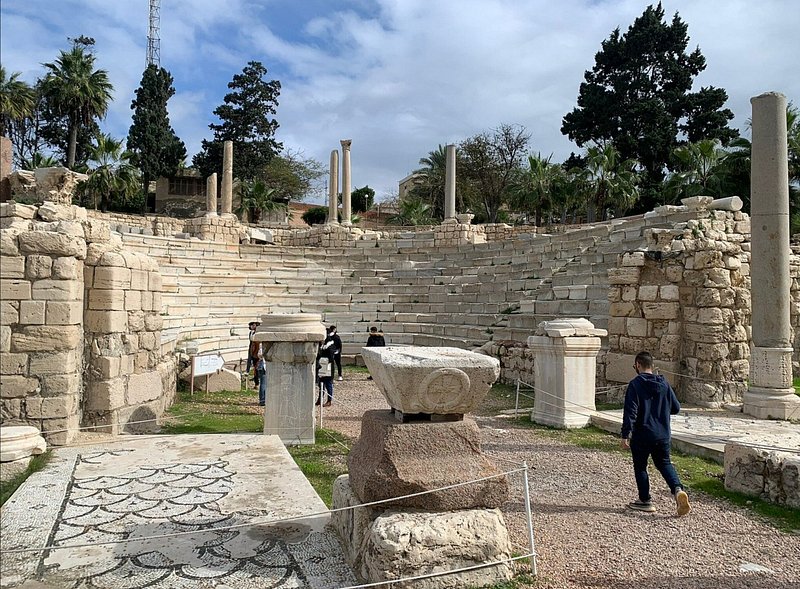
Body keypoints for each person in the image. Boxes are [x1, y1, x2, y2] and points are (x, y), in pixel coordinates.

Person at [621, 351, 691, 516]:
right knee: (665, 464)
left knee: (640, 466)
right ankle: (678, 490)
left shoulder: (635, 385)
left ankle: (645, 500)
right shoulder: (664, 384)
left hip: (643, 434)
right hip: (662, 434)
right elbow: (676, 408)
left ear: (638, 365)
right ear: (651, 365)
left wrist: (625, 435)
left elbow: (630, 412)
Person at [316, 335, 336, 407]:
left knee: (328, 384)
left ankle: (329, 400)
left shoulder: (330, 346)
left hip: (328, 367)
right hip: (322, 366)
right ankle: (320, 399)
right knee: (321, 384)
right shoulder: (322, 345)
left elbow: (331, 358)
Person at [247, 321, 261, 388]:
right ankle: (256, 383)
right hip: (253, 352)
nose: (251, 327)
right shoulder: (251, 333)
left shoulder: (259, 334)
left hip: (258, 353)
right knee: (255, 368)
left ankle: (258, 383)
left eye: (253, 325)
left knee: (257, 369)